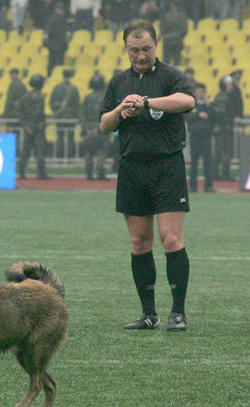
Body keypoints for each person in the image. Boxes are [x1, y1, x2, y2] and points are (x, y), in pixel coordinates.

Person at [99, 21, 195, 331]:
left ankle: (177, 313)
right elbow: (103, 124)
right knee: (139, 242)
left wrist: (147, 102)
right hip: (132, 168)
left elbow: (187, 101)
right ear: (126, 49)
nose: (140, 55)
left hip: (167, 166)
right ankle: (149, 313)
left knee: (171, 239)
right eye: (134, 50)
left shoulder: (171, 76)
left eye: (146, 49)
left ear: (156, 44)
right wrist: (120, 111)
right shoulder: (118, 82)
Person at [17, 74, 50, 179]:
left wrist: (26, 126)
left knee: (25, 151)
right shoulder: (40, 97)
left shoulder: (24, 97)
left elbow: (20, 114)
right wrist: (38, 125)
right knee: (40, 151)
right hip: (38, 128)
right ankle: (40, 173)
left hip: (27, 128)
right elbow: (40, 114)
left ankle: (21, 172)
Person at [186, 82, 214, 193]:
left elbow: (216, 117)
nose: (201, 94)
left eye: (202, 92)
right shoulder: (191, 104)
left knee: (208, 162)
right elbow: (187, 116)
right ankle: (193, 186)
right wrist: (198, 115)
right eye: (199, 92)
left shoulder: (209, 105)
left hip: (206, 136)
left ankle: (208, 186)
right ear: (196, 92)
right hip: (195, 136)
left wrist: (210, 108)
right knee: (194, 163)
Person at [80, 72, 108, 180]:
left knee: (88, 153)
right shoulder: (105, 98)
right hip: (101, 128)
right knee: (102, 152)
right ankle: (100, 173)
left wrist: (87, 129)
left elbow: (81, 115)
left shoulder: (87, 98)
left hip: (89, 129)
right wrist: (98, 127)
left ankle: (89, 173)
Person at [49, 69, 80, 159]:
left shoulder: (56, 88)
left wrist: (57, 109)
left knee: (59, 137)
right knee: (70, 138)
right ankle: (70, 157)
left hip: (60, 117)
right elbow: (77, 104)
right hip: (71, 117)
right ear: (70, 76)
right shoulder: (74, 89)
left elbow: (51, 103)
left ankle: (59, 157)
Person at [159, 1, 188, 66]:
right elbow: (184, 30)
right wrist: (178, 36)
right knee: (173, 63)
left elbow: (162, 30)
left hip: (169, 42)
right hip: (174, 41)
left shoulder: (164, 17)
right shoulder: (181, 17)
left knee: (170, 63)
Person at [45, 2, 70, 75]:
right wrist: (65, 45)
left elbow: (48, 32)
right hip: (59, 46)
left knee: (51, 64)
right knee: (59, 65)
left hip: (51, 45)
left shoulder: (51, 18)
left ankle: (49, 77)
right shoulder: (60, 19)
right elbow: (61, 34)